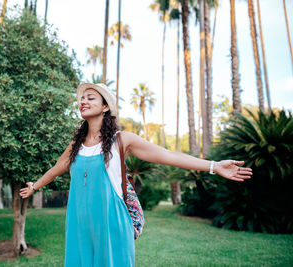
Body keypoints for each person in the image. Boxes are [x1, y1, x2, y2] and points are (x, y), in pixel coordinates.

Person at [19, 83, 252, 267]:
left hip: (112, 224)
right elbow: (57, 167)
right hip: (80, 224)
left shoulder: (122, 140)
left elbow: (168, 155)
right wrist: (35, 186)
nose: (83, 101)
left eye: (91, 98)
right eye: (82, 98)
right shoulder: (76, 144)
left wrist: (214, 166)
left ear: (105, 107)